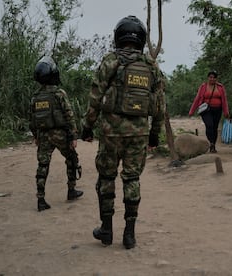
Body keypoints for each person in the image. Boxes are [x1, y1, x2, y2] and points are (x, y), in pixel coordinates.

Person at [81, 15, 165, 249]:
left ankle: (106, 229)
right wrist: (154, 133)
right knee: (132, 179)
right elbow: (159, 105)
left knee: (106, 178)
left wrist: (87, 126)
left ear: (118, 36)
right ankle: (129, 234)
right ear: (141, 39)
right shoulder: (151, 66)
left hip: (111, 133)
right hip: (138, 134)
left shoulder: (110, 61)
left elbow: (95, 98)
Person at [29, 56, 83, 212]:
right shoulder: (59, 93)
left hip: (43, 136)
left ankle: (40, 199)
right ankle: (71, 190)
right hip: (60, 134)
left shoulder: (36, 97)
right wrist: (73, 136)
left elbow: (32, 119)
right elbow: (69, 114)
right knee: (72, 159)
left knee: (42, 166)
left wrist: (36, 136)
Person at [188, 70, 230, 153]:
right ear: (208, 78)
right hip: (206, 110)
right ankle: (211, 142)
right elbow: (197, 98)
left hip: (218, 109)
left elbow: (224, 100)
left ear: (216, 79)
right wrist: (192, 111)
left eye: (214, 78)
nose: (212, 79)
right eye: (210, 77)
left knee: (215, 127)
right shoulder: (203, 87)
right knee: (209, 125)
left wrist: (226, 112)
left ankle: (213, 145)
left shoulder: (220, 87)